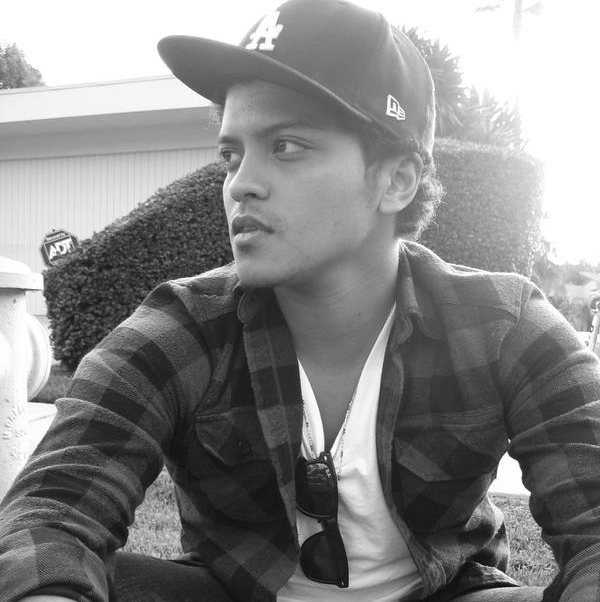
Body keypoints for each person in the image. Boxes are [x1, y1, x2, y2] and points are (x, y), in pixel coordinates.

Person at [2, 0, 600, 600]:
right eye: (231, 155)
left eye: (287, 146)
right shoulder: (185, 327)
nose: (240, 183)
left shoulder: (501, 325)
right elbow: (53, 511)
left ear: (395, 180)